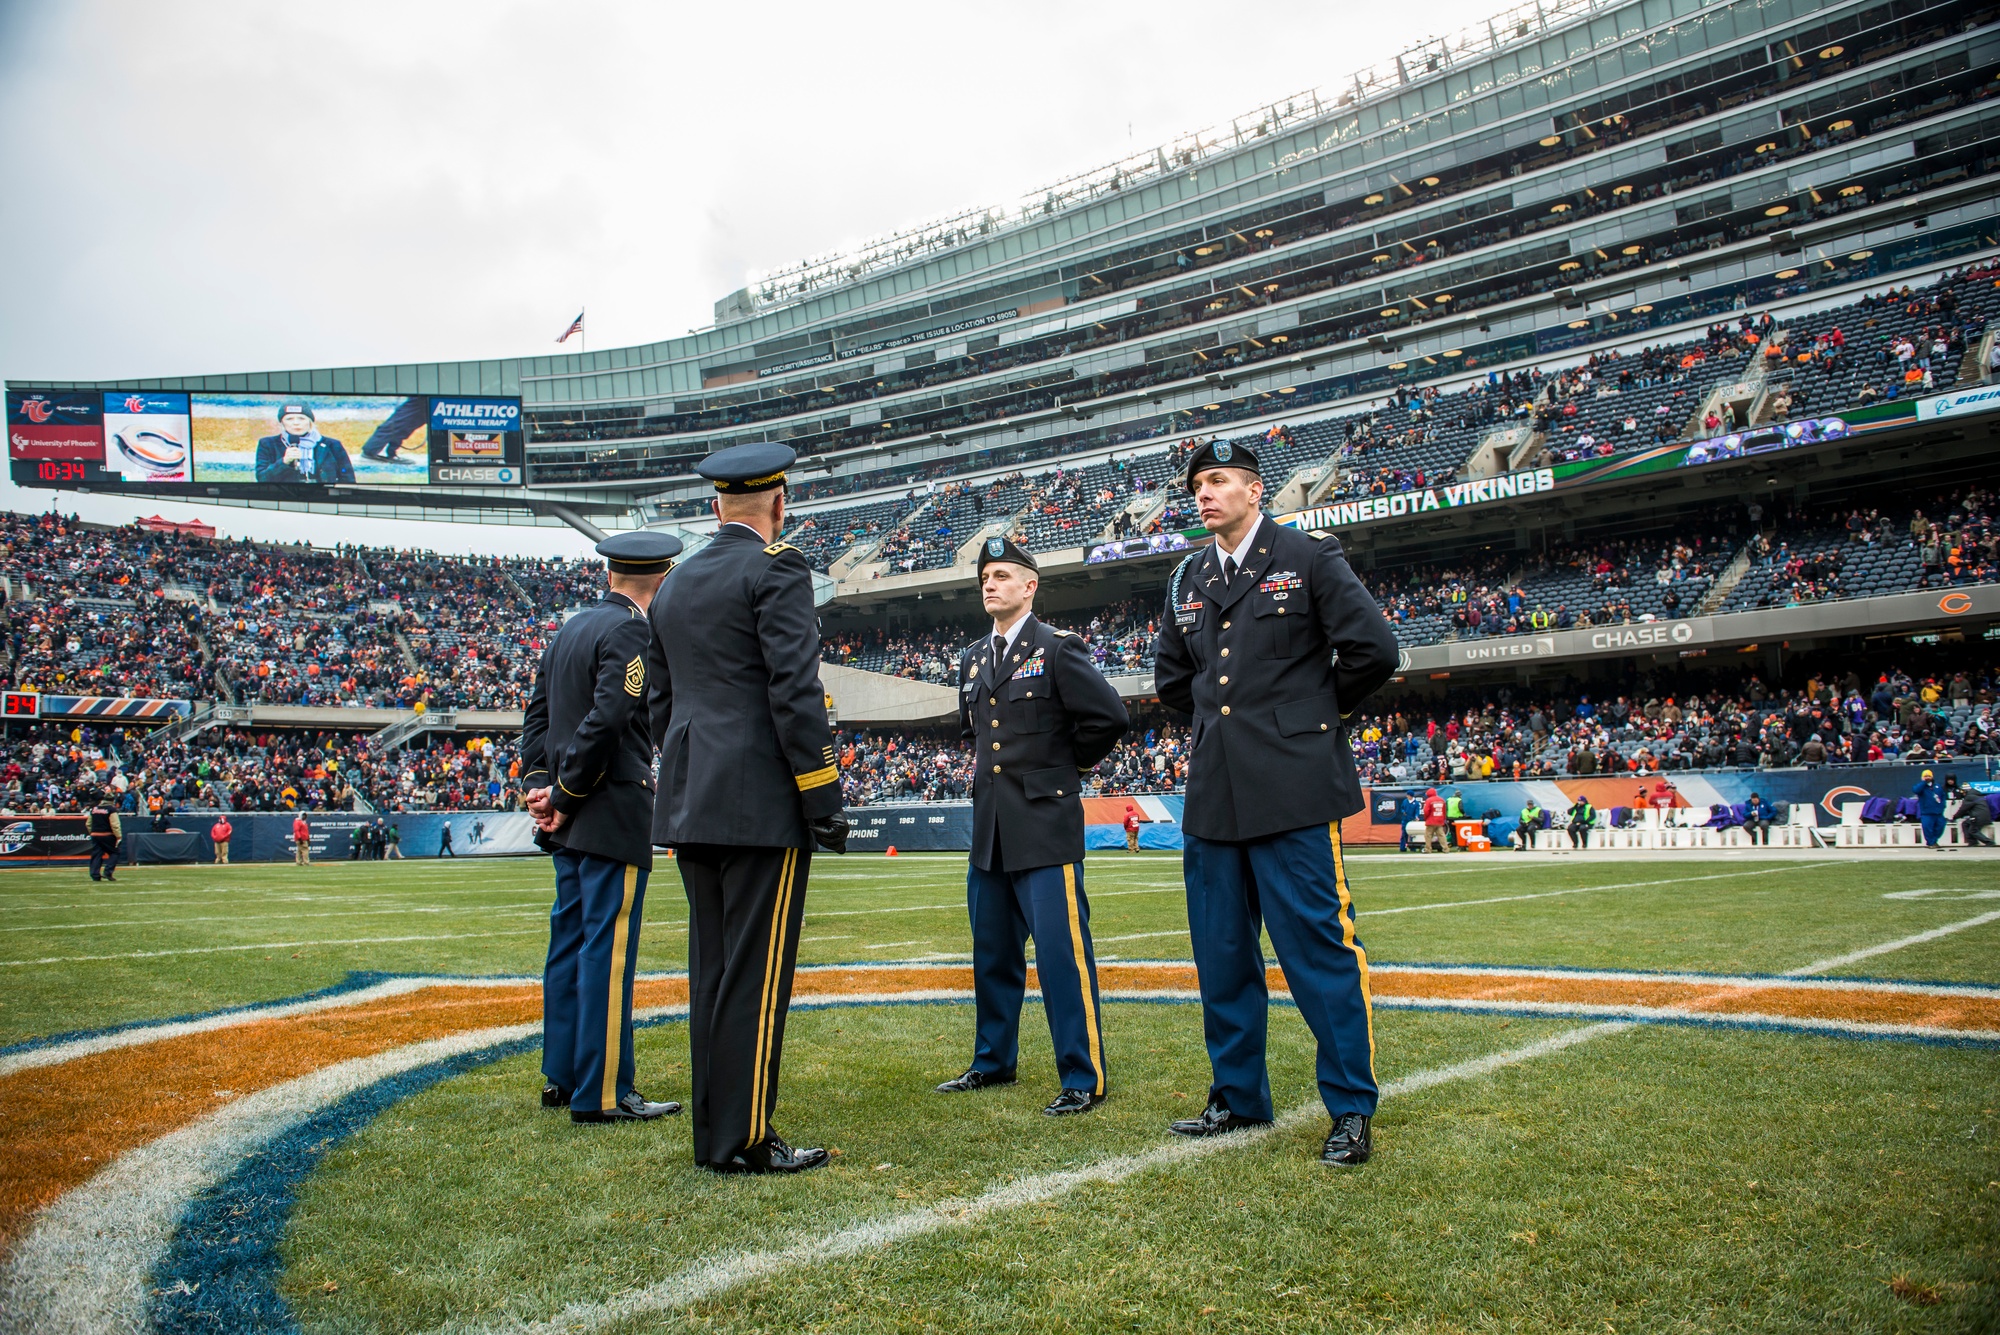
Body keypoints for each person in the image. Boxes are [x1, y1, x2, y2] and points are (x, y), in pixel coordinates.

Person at [1151, 436, 1399, 1168]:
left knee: (1319, 952)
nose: (1205, 492)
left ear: (1256, 490)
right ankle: (1237, 1095)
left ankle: (1351, 1108)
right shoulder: (1187, 577)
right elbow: (1173, 678)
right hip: (1214, 794)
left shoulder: (1308, 557)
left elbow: (1374, 651)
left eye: (1220, 480)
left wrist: (1308, 719)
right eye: (1198, 483)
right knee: (1223, 955)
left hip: (1293, 788)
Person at [648, 442, 848, 1174]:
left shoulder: (673, 584)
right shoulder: (777, 566)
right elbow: (794, 689)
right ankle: (743, 1138)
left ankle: (715, 1132)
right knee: (756, 975)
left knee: (713, 968)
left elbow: (661, 704)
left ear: (714, 508)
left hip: (692, 795)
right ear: (779, 504)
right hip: (760, 798)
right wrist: (821, 795)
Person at [937, 536, 1129, 1115]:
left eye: (1001, 575)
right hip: (991, 831)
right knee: (993, 955)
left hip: (1044, 827)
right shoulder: (973, 658)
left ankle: (1081, 1075)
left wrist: (1061, 766)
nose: (990, 585)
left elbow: (1110, 716)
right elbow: (974, 733)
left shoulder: (1057, 648)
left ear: (1030, 585)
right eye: (984, 578)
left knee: (1061, 957)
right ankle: (993, 1061)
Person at [522, 529, 685, 1126]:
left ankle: (563, 1077)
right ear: (660, 579)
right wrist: (564, 791)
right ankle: (605, 1091)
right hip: (609, 806)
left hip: (567, 819)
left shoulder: (570, 628)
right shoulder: (631, 630)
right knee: (607, 953)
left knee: (568, 943)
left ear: (612, 573)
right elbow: (612, 714)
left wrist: (542, 787)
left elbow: (536, 716)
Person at [254, 403, 358, 485]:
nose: (296, 423)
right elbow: (262, 478)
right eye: (289, 419)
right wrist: (284, 462)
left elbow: (347, 478)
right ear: (282, 423)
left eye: (301, 418)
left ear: (310, 421)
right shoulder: (268, 444)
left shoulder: (332, 445)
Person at [86, 790, 121, 882]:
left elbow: (88, 824)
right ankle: (108, 871)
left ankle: (95, 874)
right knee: (115, 852)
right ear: (113, 800)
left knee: (97, 854)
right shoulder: (111, 810)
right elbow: (115, 824)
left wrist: (92, 832)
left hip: (95, 835)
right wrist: (118, 836)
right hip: (107, 835)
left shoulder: (94, 809)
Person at [1913, 769, 1946, 850]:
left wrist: (1942, 806)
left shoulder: (1937, 786)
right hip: (1927, 812)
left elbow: (1943, 797)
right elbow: (1915, 790)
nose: (1927, 778)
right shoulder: (1921, 787)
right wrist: (1924, 782)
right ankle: (1931, 842)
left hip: (1938, 812)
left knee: (1940, 827)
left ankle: (1933, 841)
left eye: (1929, 776)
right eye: (1925, 776)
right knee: (1928, 828)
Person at [1421, 786, 1448, 853]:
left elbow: (1426, 811)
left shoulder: (1429, 800)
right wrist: (1443, 819)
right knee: (1441, 835)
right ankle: (1446, 849)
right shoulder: (1442, 800)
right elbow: (1444, 811)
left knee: (1428, 835)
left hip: (1431, 821)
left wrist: (1426, 818)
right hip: (1440, 821)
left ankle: (1428, 849)